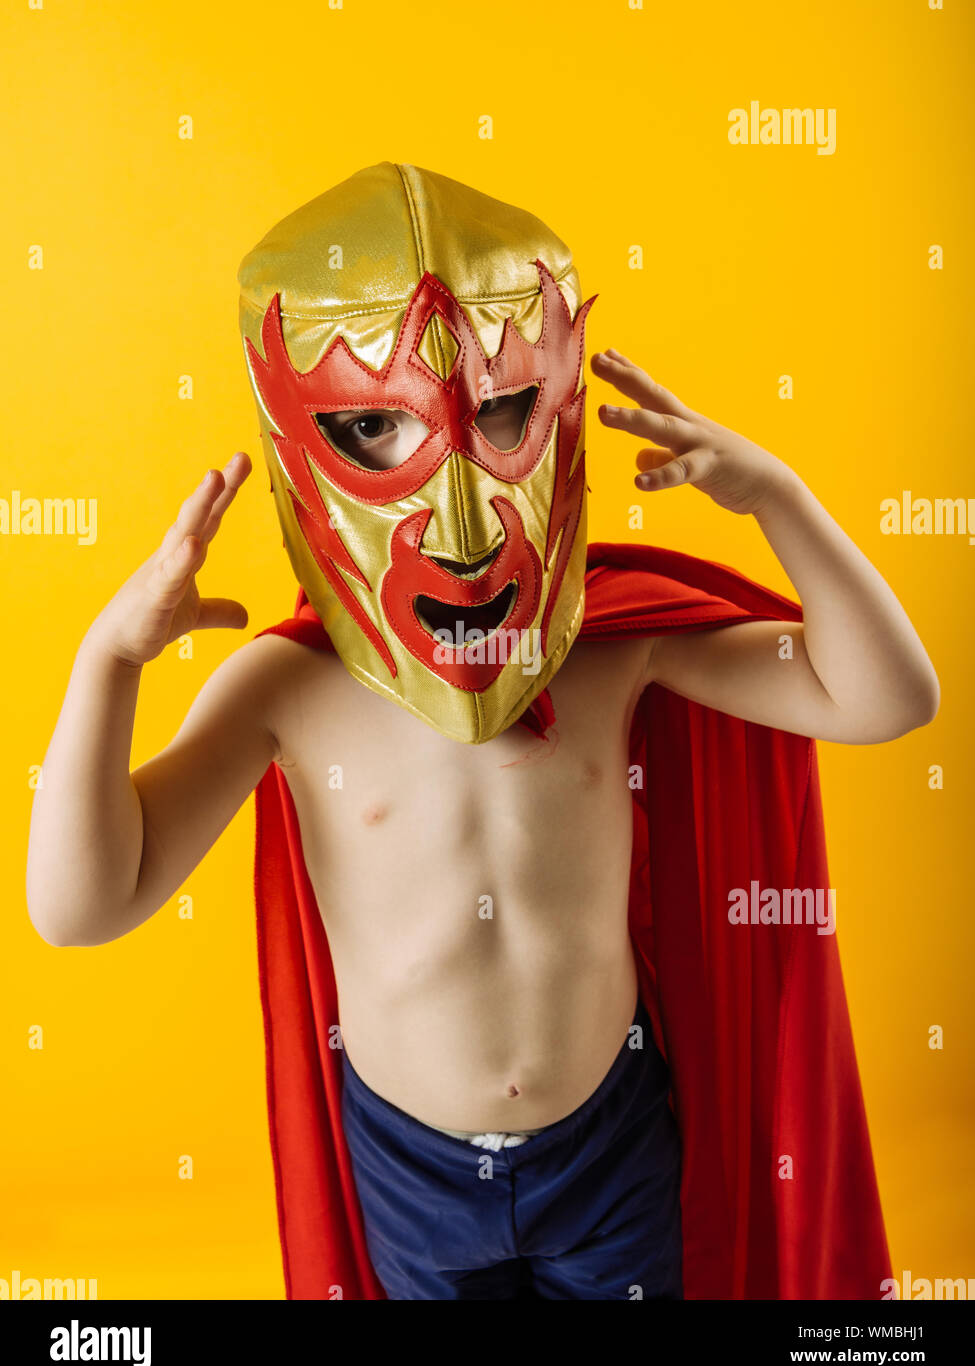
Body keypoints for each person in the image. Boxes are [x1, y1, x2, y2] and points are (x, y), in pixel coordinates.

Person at [26, 163, 938, 1301]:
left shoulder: (612, 649)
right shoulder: (285, 692)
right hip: (412, 1169)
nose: (456, 518)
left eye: (505, 411)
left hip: (607, 1143)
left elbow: (888, 698)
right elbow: (82, 904)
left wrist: (780, 500)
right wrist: (106, 663)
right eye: (372, 427)